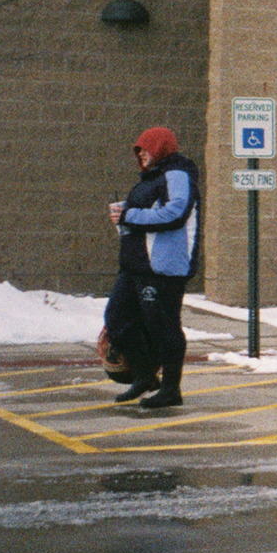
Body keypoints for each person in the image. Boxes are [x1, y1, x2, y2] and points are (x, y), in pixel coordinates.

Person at [105, 127, 199, 409]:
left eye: (145, 149)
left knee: (164, 326)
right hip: (135, 265)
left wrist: (129, 214)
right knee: (118, 320)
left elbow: (176, 213)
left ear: (161, 148)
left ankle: (171, 389)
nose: (141, 154)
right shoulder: (151, 178)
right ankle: (145, 376)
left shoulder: (177, 174)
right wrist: (124, 213)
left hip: (162, 268)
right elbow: (148, 214)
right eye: (138, 151)